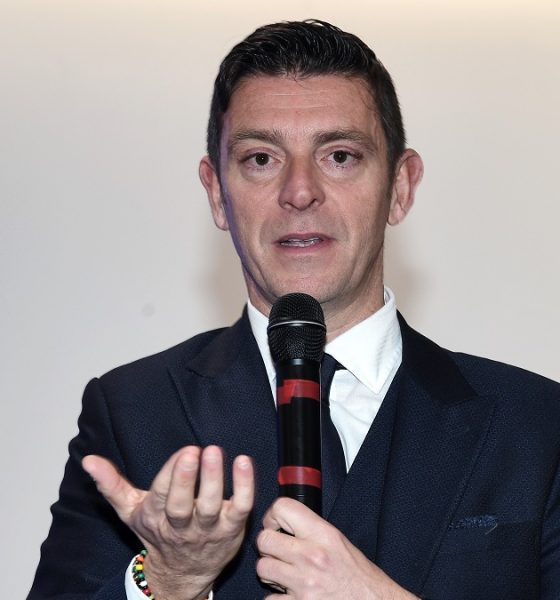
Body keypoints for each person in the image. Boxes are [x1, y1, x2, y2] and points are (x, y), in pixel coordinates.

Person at [28, 19, 560, 600]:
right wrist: (168, 580)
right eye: (261, 159)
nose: (300, 191)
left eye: (339, 156)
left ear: (401, 187)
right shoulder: (133, 411)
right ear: (217, 193)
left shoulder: (536, 424)